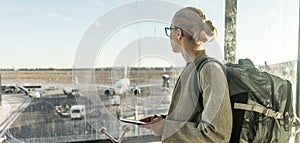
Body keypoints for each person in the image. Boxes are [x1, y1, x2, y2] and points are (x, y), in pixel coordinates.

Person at [138, 7, 233, 143]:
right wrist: (163, 120)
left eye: (169, 30)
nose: (169, 36)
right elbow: (194, 116)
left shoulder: (210, 70)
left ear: (178, 33)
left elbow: (217, 135)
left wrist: (166, 127)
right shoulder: (192, 68)